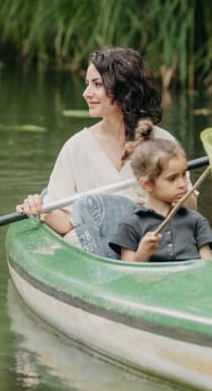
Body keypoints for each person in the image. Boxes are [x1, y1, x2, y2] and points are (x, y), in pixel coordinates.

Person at [16, 47, 195, 257]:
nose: (86, 93)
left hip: (155, 246)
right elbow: (66, 224)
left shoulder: (163, 142)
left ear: (125, 89)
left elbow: (191, 210)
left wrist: (177, 195)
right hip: (97, 254)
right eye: (87, 84)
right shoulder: (76, 148)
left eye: (97, 84)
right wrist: (42, 211)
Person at [107, 123, 212, 263]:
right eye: (172, 178)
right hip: (152, 284)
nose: (182, 184)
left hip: (192, 282)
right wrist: (142, 254)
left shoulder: (196, 220)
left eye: (183, 175)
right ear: (147, 184)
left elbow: (208, 266)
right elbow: (130, 275)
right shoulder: (131, 225)